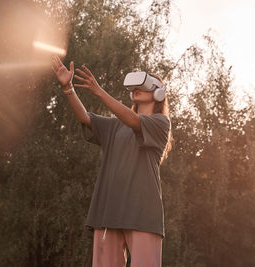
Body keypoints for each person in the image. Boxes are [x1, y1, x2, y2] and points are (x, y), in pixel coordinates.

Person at [52, 55, 173, 267]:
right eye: (134, 86)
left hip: (142, 213)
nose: (136, 89)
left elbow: (135, 121)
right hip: (108, 212)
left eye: (143, 85)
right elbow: (85, 118)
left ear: (159, 93)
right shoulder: (116, 126)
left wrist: (99, 91)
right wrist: (68, 88)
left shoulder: (161, 123)